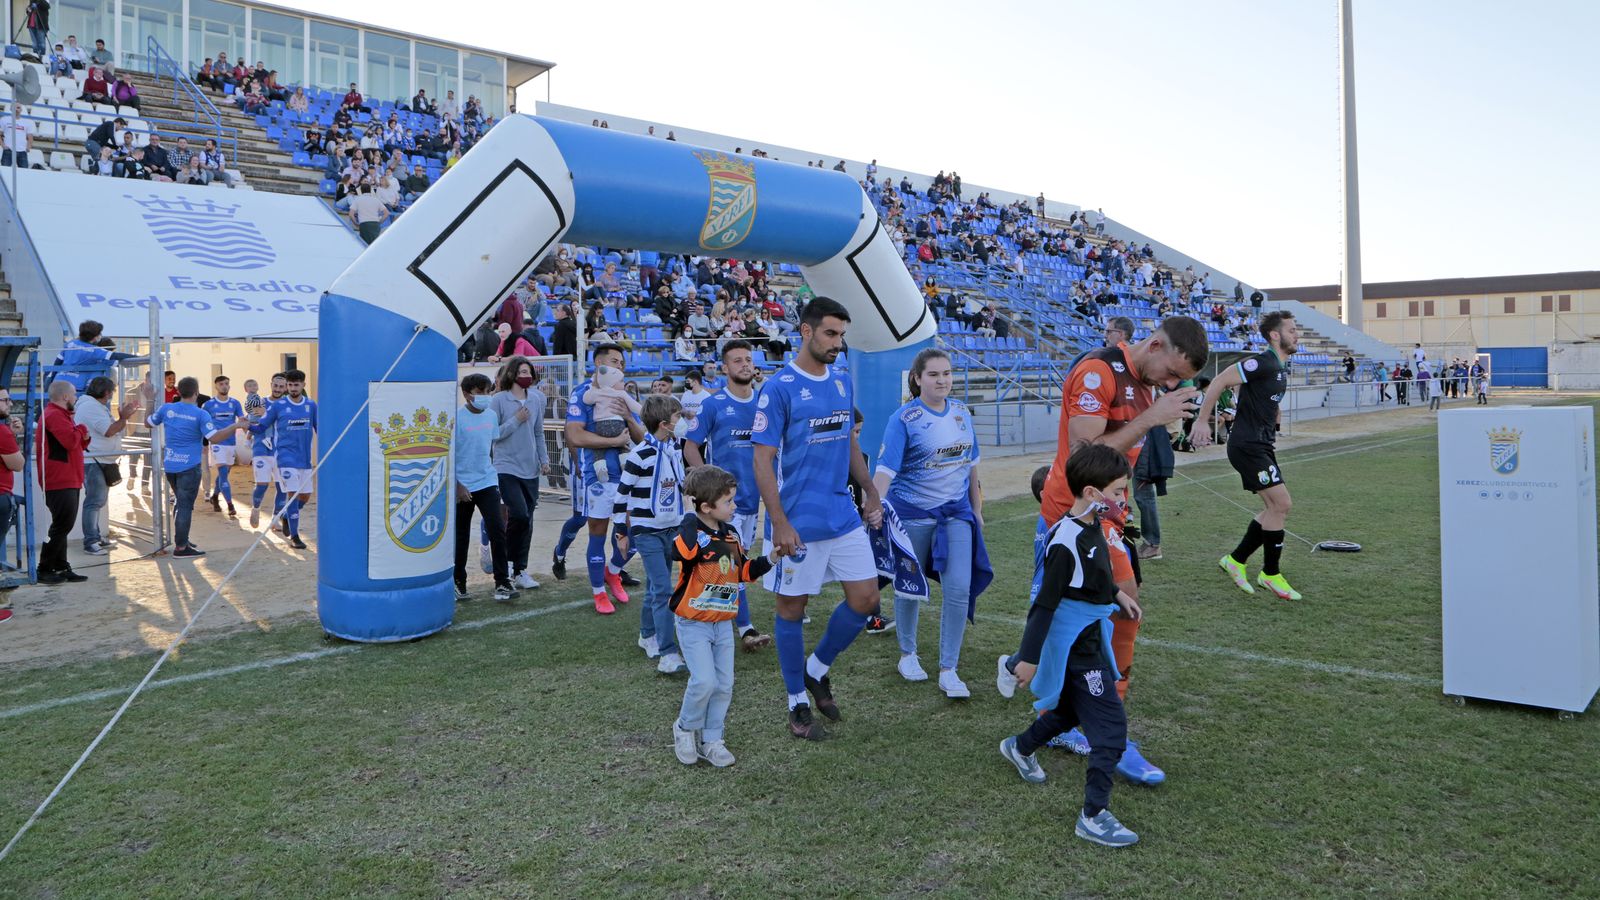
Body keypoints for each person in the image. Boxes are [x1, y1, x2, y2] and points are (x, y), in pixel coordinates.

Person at [1009, 315, 1209, 784]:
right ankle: (1099, 719)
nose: (1172, 383)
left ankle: (1076, 712)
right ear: (1155, 344)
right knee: (1110, 605)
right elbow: (1085, 459)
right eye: (1173, 373)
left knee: (1110, 609)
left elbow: (1120, 459)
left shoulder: (1145, 385)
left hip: (1108, 514)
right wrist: (1150, 419)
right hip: (1073, 512)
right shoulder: (1097, 372)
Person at [751, 297, 886, 741]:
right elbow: (763, 461)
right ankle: (795, 701)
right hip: (797, 521)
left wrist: (869, 490)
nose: (838, 343)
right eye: (831, 334)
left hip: (841, 513)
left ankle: (816, 668)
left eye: (842, 336)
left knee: (866, 599)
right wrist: (779, 522)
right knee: (792, 609)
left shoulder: (843, 382)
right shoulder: (778, 388)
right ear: (806, 331)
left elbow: (848, 445)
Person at [997, 443, 1144, 848]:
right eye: (1116, 492)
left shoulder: (1091, 521)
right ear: (1093, 493)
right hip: (1076, 645)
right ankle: (1093, 816)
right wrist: (1027, 659)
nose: (1122, 499)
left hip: (1091, 636)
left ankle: (1019, 747)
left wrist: (1116, 594)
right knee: (1110, 732)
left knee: (1066, 710)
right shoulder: (1064, 541)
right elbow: (1044, 604)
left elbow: (1094, 572)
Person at [871, 348, 990, 698]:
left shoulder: (962, 413)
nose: (942, 380)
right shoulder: (903, 419)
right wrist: (873, 509)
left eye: (947, 374)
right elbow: (885, 471)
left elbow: (972, 468)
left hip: (956, 515)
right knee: (909, 587)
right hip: (911, 517)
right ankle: (908, 654)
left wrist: (977, 509)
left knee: (957, 590)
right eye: (934, 375)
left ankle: (949, 669)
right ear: (918, 378)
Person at [666, 465, 779, 767]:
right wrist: (689, 513)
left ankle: (713, 739)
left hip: (722, 623)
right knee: (703, 681)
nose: (735, 506)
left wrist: (771, 558)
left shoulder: (730, 534)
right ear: (705, 506)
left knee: (724, 684)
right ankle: (685, 728)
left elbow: (742, 571)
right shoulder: (690, 531)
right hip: (693, 624)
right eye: (728, 501)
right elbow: (684, 551)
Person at [1192, 310, 1302, 601]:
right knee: (1282, 503)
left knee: (1272, 508)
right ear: (1275, 335)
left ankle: (1236, 560)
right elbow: (1218, 382)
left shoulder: (1279, 366)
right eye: (1292, 330)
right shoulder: (1262, 362)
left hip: (1260, 444)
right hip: (1247, 445)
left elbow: (1262, 401)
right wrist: (1202, 421)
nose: (1297, 334)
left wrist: (1273, 424)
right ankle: (1270, 573)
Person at [683, 340, 771, 651]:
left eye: (748, 359)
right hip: (726, 506)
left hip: (757, 501)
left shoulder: (765, 402)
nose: (745, 364)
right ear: (725, 368)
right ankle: (743, 628)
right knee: (729, 564)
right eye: (737, 361)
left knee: (737, 565)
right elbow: (690, 446)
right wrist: (708, 483)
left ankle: (725, 622)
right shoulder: (712, 404)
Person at [565, 344, 645, 614]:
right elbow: (575, 436)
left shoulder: (622, 393)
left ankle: (614, 571)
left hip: (629, 475)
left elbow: (641, 438)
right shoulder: (582, 394)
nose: (619, 366)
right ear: (598, 364)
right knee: (598, 533)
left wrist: (626, 417)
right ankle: (599, 591)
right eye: (614, 361)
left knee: (634, 533)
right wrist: (612, 441)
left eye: (622, 362)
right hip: (598, 477)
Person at [613, 394, 689, 673]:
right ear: (665, 424)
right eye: (678, 418)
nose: (682, 423)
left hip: (672, 527)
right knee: (664, 590)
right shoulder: (640, 454)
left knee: (656, 588)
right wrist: (621, 532)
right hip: (647, 531)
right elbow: (621, 496)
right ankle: (668, 654)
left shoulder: (672, 449)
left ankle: (647, 634)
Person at [147, 377, 248, 560]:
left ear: (178, 392)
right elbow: (215, 438)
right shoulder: (200, 414)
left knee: (180, 502)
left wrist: (149, 399)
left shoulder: (167, 408)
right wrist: (235, 425)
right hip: (189, 466)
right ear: (196, 393)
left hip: (170, 465)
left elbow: (149, 423)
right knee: (185, 506)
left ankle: (182, 539)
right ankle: (181, 547)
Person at [454, 373, 515, 602]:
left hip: (487, 481)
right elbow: (450, 455)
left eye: (488, 391)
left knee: (498, 529)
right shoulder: (457, 419)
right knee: (461, 536)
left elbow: (489, 447)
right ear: (467, 394)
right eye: (480, 392)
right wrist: (458, 485)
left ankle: (502, 582)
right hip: (462, 485)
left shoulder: (490, 416)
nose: (485, 396)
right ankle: (459, 582)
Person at [490, 358, 548, 591]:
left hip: (530, 468)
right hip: (506, 466)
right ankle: (507, 559)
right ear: (512, 374)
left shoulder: (535, 399)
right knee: (519, 514)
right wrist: (516, 420)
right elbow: (494, 434)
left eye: (529, 372)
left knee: (528, 520)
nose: (526, 375)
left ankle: (519, 569)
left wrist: (544, 460)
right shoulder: (499, 400)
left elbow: (539, 433)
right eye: (522, 371)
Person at [248, 369, 316, 550]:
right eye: (291, 385)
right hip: (285, 457)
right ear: (287, 386)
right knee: (292, 496)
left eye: (297, 385)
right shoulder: (278, 406)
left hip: (305, 459)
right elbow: (261, 426)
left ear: (303, 385)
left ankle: (285, 515)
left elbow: (320, 428)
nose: (293, 388)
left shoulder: (311, 405)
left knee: (305, 496)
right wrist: (245, 425)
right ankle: (295, 536)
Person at [35, 380, 90, 581]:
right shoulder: (54, 415)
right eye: (74, 394)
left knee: (62, 525)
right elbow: (70, 441)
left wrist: (80, 432)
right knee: (61, 525)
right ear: (65, 397)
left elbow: (76, 444)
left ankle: (59, 565)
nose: (75, 398)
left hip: (67, 478)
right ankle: (45, 567)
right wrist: (82, 428)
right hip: (60, 479)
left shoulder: (61, 416)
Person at [78, 377, 138, 556]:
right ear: (106, 392)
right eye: (112, 391)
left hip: (100, 460)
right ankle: (90, 541)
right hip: (94, 461)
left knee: (97, 501)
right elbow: (110, 430)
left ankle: (94, 537)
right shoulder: (90, 407)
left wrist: (122, 419)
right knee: (94, 502)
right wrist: (124, 417)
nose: (112, 394)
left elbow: (113, 429)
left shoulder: (94, 406)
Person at [202, 375, 244, 517]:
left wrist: (250, 432)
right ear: (216, 386)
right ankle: (230, 505)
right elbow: (203, 424)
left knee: (223, 474)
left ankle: (214, 496)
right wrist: (204, 443)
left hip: (231, 443)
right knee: (224, 475)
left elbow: (242, 420)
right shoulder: (208, 405)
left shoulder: (235, 403)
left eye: (226, 383)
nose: (224, 386)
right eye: (221, 384)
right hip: (217, 444)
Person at [247, 373, 286, 528]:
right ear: (271, 385)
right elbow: (253, 425)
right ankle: (256, 508)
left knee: (282, 487)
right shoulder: (259, 402)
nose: (277, 389)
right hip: (261, 449)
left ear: (286, 387)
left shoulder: (287, 404)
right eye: (275, 385)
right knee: (262, 485)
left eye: (281, 386)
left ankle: (275, 519)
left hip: (282, 451)